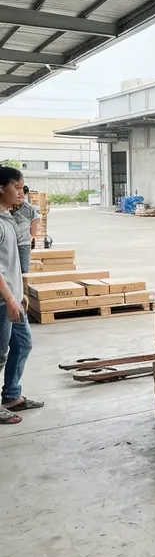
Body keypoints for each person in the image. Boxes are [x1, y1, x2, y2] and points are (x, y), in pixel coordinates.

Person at [0, 167, 40, 424]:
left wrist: (21, 292)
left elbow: (12, 262)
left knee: (23, 344)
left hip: (13, 297)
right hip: (3, 301)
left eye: (23, 187)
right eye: (17, 186)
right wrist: (10, 299)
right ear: (1, 189)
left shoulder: (8, 219)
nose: (21, 192)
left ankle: (12, 395)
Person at [13, 186, 40, 273]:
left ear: (25, 195)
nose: (19, 198)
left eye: (22, 195)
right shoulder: (8, 206)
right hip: (9, 242)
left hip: (23, 243)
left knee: (23, 270)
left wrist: (33, 236)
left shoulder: (29, 209)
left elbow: (36, 220)